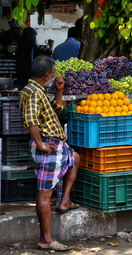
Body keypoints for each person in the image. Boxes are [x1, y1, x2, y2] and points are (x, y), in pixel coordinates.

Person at [19, 55, 80, 252]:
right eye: (53, 74)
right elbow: (31, 121)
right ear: (46, 75)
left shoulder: (38, 89)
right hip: (48, 146)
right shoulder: (34, 93)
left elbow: (52, 112)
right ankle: (45, 239)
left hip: (56, 144)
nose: (55, 76)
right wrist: (41, 145)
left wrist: (59, 91)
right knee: (45, 193)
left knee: (75, 158)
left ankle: (65, 201)